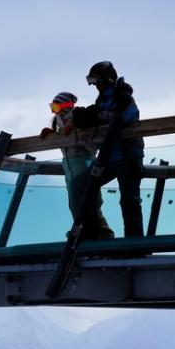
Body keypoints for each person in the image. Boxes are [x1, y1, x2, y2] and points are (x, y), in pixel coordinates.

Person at [72, 61, 145, 238]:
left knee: (129, 200)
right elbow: (98, 116)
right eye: (92, 81)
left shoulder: (123, 97)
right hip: (109, 157)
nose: (95, 85)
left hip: (127, 156)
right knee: (82, 185)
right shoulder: (103, 99)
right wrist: (82, 116)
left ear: (106, 79)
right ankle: (93, 232)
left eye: (96, 80)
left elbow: (122, 118)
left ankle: (134, 244)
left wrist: (95, 116)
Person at [40, 91, 114, 239]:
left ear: (66, 106)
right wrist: (53, 135)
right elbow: (66, 147)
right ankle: (84, 234)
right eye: (52, 107)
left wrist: (78, 133)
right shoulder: (58, 122)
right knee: (75, 205)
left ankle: (103, 236)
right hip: (70, 171)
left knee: (91, 205)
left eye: (55, 107)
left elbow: (93, 148)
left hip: (84, 168)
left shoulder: (80, 118)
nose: (53, 111)